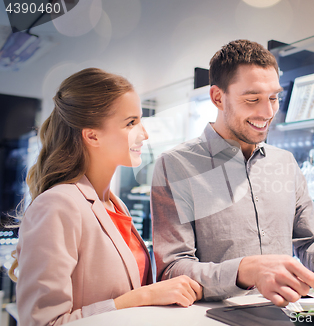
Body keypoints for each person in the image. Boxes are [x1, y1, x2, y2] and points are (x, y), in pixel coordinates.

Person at [151, 40, 314, 307]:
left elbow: (307, 247)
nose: (267, 113)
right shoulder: (176, 165)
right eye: (252, 99)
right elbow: (172, 270)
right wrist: (246, 270)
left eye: (273, 98)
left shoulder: (285, 163)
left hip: (287, 315)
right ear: (218, 97)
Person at [13, 68, 202, 326]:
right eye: (131, 122)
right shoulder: (57, 205)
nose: (144, 134)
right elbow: (44, 323)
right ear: (92, 135)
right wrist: (143, 296)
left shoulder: (113, 204)